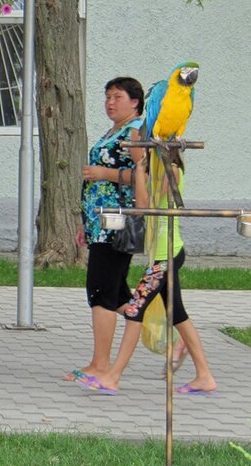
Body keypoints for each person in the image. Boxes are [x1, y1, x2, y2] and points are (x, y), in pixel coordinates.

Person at [82, 155, 218, 396]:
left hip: (167, 256)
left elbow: (148, 207)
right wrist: (139, 170)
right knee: (178, 315)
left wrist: (141, 172)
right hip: (161, 257)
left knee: (134, 309)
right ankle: (205, 376)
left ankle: (113, 377)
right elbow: (142, 208)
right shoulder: (154, 171)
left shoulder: (172, 170)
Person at [67, 77, 146, 384]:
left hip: (118, 221)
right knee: (119, 294)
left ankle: (100, 364)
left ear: (135, 102)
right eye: (107, 97)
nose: (110, 102)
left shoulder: (134, 131)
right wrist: (84, 223)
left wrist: (105, 173)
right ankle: (170, 330)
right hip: (99, 221)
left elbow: (144, 175)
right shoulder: (113, 131)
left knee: (101, 291)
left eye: (117, 97)